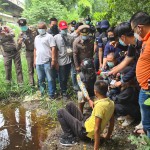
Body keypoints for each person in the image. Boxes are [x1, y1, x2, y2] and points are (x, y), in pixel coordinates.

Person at [57, 80, 114, 149]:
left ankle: (70, 137)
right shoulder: (111, 103)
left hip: (85, 132)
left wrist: (96, 148)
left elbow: (97, 128)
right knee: (70, 105)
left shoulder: (100, 106)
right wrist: (108, 136)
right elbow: (112, 122)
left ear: (95, 92)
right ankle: (72, 130)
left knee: (60, 112)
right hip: (86, 123)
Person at [130, 11, 150, 138]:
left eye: (134, 30)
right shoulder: (145, 40)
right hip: (144, 88)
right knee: (147, 123)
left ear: (140, 27)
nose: (134, 33)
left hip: (148, 90)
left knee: (148, 124)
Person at [34, 22, 57, 99]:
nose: (40, 30)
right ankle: (43, 93)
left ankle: (51, 94)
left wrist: (53, 60)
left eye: (42, 28)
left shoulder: (49, 37)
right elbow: (35, 49)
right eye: (39, 28)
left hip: (47, 61)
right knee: (40, 79)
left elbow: (53, 48)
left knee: (50, 79)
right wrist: (34, 60)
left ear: (45, 28)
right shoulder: (36, 38)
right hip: (38, 62)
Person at [54, 20, 75, 100]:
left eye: (65, 28)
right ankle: (63, 92)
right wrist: (55, 62)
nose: (64, 30)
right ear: (59, 28)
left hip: (69, 60)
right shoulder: (56, 37)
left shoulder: (70, 37)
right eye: (62, 29)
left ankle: (66, 89)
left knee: (66, 76)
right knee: (62, 77)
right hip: (61, 61)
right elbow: (54, 50)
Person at [17, 18, 37, 86]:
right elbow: (18, 48)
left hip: (37, 52)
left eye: (24, 25)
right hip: (28, 52)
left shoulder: (33, 31)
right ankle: (32, 84)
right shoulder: (21, 34)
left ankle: (40, 84)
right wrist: (19, 43)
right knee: (30, 69)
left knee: (38, 68)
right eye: (21, 26)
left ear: (26, 24)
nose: (23, 27)